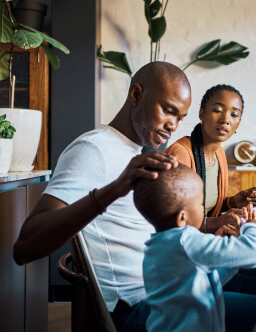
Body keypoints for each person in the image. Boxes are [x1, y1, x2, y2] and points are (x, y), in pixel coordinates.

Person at [13, 61, 192, 331]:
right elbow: (24, 247)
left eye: (179, 117)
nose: (173, 125)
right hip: (136, 310)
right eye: (168, 110)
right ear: (136, 95)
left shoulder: (132, 153)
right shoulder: (93, 149)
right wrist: (113, 190)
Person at [133, 164, 256, 332]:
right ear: (182, 216)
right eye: (200, 205)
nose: (202, 209)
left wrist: (231, 256)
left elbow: (203, 281)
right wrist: (253, 227)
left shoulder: (157, 245)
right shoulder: (187, 241)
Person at [165, 84, 256, 234]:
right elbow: (170, 220)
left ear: (237, 125)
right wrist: (219, 222)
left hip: (207, 238)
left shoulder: (219, 153)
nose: (225, 120)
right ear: (202, 114)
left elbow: (206, 208)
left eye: (234, 115)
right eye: (218, 110)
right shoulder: (180, 154)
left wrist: (232, 203)